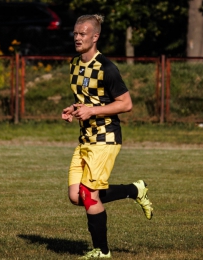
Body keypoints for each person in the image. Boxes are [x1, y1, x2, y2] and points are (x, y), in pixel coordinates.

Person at [62, 14, 153, 259]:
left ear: (95, 36)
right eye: (75, 33)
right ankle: (134, 190)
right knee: (75, 196)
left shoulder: (107, 67)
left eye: (83, 33)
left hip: (106, 138)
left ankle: (101, 251)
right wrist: (75, 108)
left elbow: (126, 104)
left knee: (89, 196)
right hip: (85, 139)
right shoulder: (74, 64)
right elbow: (88, 99)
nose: (78, 37)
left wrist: (93, 110)